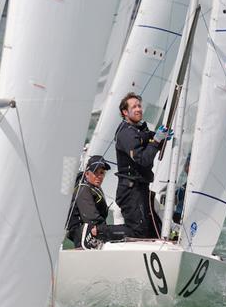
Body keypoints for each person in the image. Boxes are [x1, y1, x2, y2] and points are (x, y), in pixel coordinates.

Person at [114, 92, 170, 239]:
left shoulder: (139, 129)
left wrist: (161, 136)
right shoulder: (125, 134)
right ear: (125, 112)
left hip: (141, 188)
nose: (138, 109)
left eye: (139, 106)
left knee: (152, 231)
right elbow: (143, 159)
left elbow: (148, 137)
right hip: (130, 191)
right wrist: (157, 141)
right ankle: (98, 232)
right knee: (138, 231)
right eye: (134, 107)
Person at [65, 155, 128, 249]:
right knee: (124, 232)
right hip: (83, 236)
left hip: (93, 232)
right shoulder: (84, 189)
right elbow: (91, 217)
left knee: (123, 231)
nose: (99, 177)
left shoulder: (93, 186)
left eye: (102, 173)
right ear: (87, 174)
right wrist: (109, 231)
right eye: (95, 173)